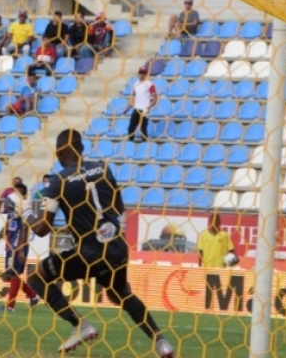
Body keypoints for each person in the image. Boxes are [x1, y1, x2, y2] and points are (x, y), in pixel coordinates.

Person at [24, 130, 176, 358]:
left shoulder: (59, 180)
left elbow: (42, 229)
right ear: (81, 148)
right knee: (120, 294)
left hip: (90, 254)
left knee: (37, 276)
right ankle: (161, 342)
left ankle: (81, 325)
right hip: (116, 248)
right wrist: (83, 223)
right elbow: (118, 207)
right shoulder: (103, 168)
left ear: (59, 151)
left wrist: (26, 212)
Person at [0, 182, 40, 312]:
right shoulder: (11, 213)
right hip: (10, 247)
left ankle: (10, 306)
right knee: (10, 276)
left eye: (19, 192)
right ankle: (33, 295)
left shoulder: (24, 210)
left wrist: (21, 249)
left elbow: (25, 229)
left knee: (13, 274)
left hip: (18, 247)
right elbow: (6, 229)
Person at [128, 65, 157, 142]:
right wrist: (129, 106)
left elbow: (154, 98)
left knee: (143, 128)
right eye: (140, 73)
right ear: (138, 73)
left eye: (143, 73)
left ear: (146, 74)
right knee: (131, 127)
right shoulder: (135, 84)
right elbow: (134, 96)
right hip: (137, 108)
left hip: (144, 109)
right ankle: (130, 143)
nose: (141, 75)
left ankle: (145, 144)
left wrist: (149, 107)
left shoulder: (150, 84)